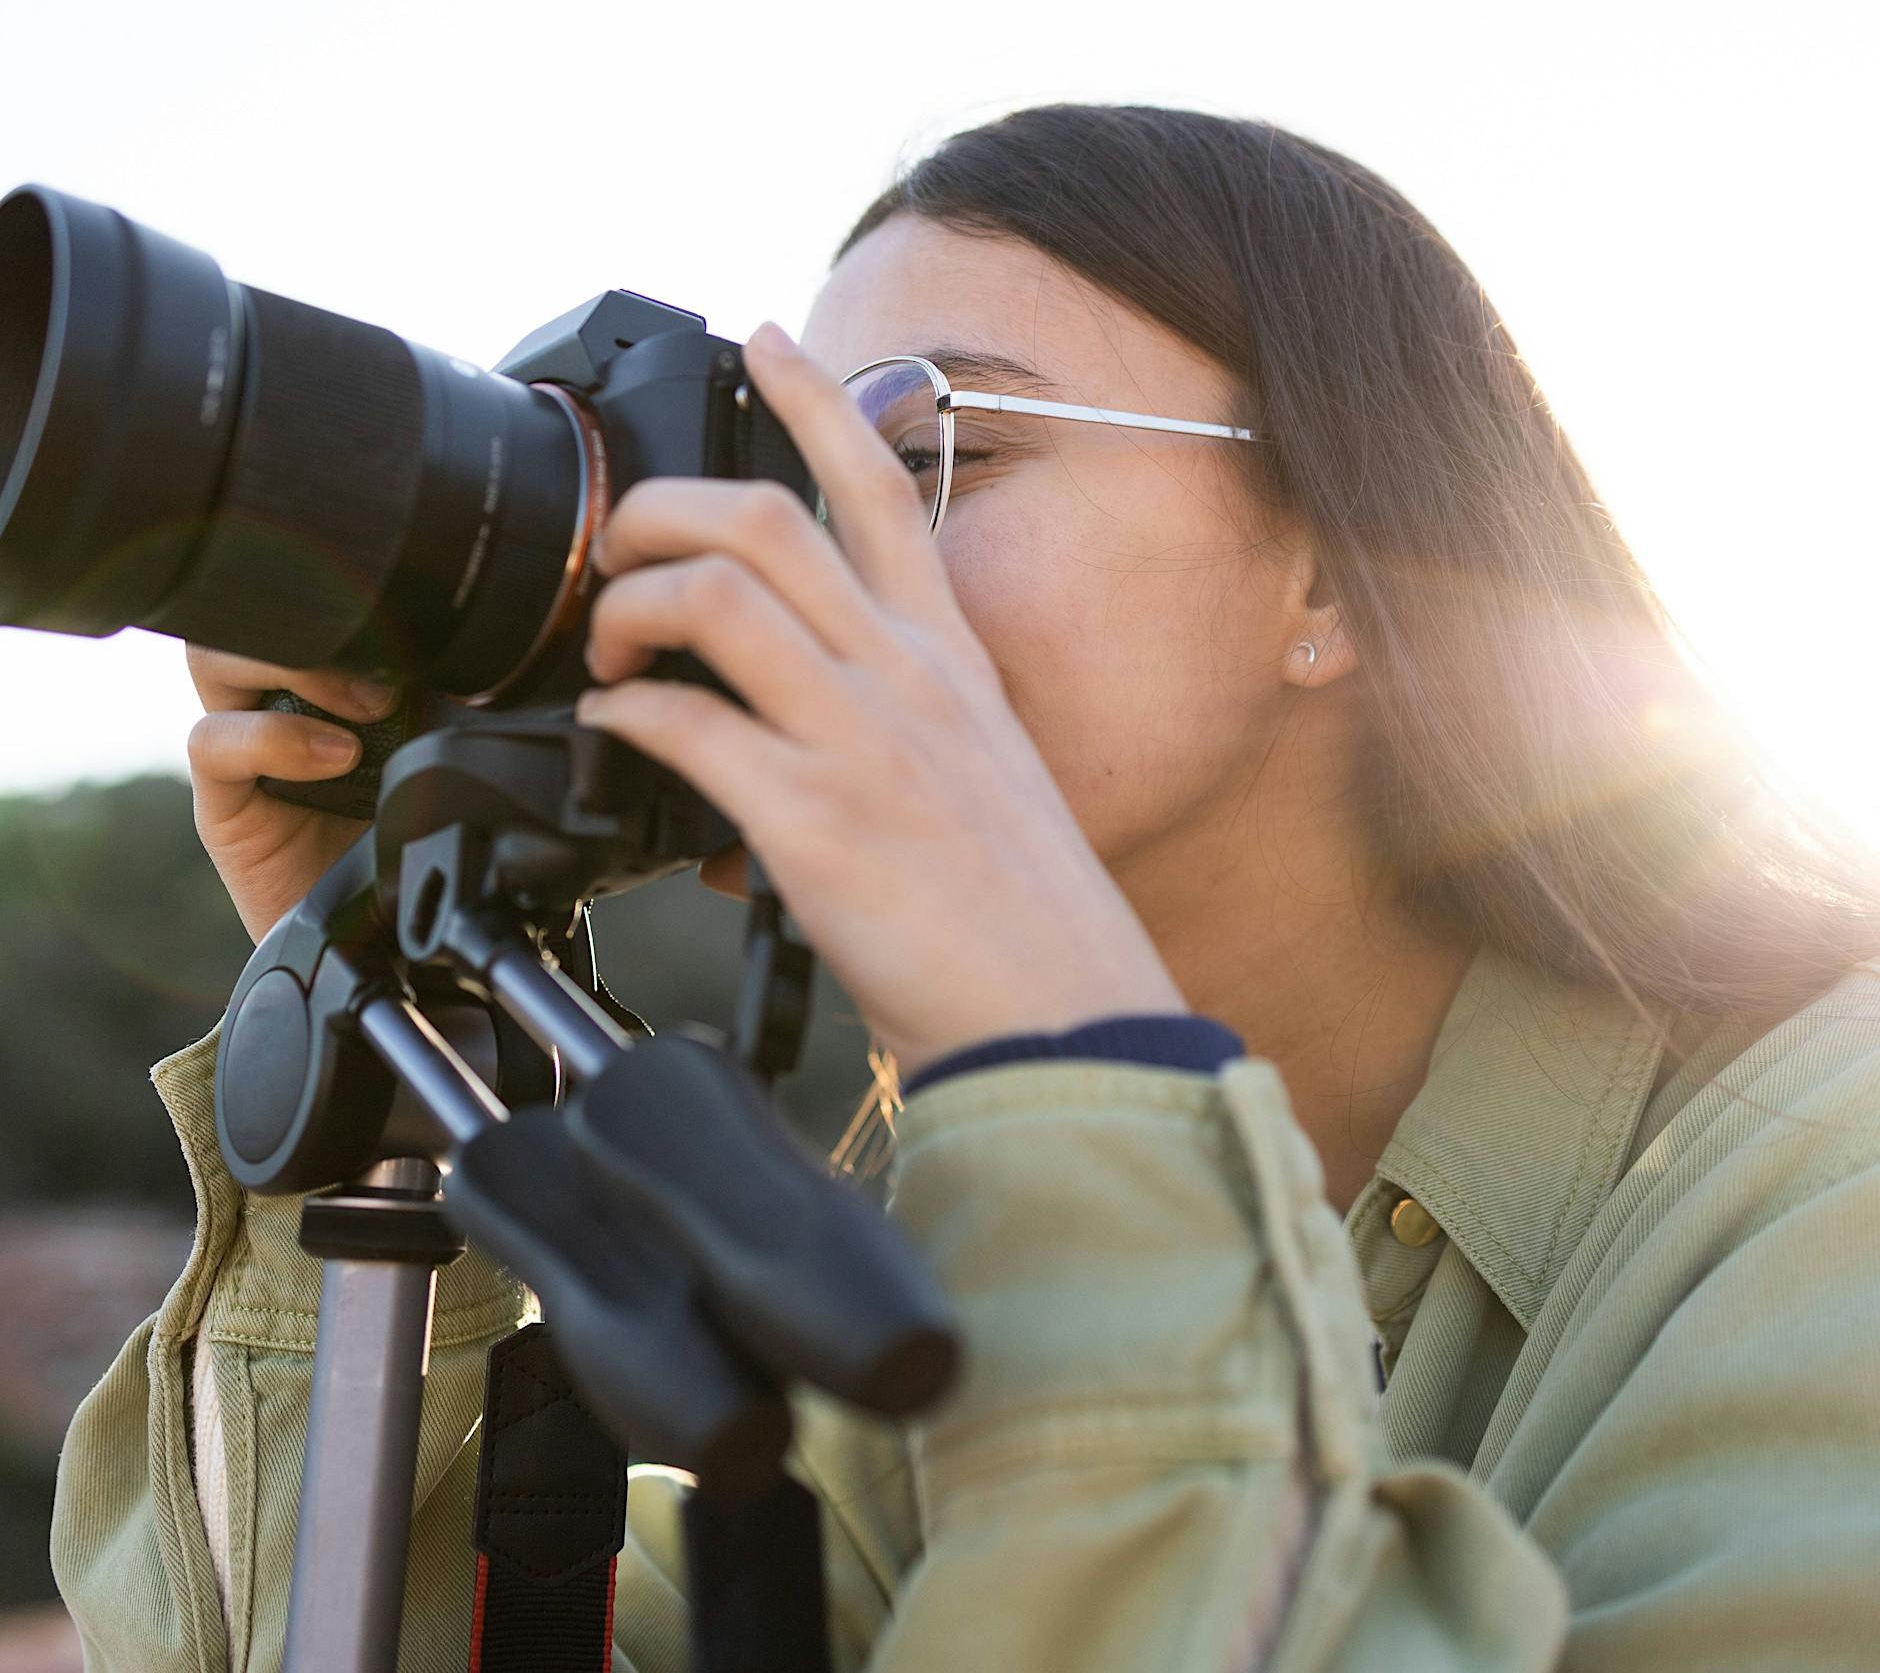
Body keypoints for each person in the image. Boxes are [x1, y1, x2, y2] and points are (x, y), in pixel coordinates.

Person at [50, 104, 1880, 1670]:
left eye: (928, 455)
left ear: (1340, 569)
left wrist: (1059, 1054)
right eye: (788, 472)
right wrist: (375, 1048)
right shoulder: (950, 1281)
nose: (814, 575)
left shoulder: (1829, 1181)